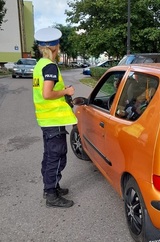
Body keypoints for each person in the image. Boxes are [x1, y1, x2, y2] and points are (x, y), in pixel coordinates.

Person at [32, 27, 77, 208]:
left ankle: (51, 187)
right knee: (57, 157)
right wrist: (66, 91)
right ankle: (51, 194)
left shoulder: (40, 64)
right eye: (58, 45)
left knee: (50, 155)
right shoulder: (50, 66)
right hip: (53, 120)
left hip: (46, 120)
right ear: (54, 47)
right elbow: (47, 93)